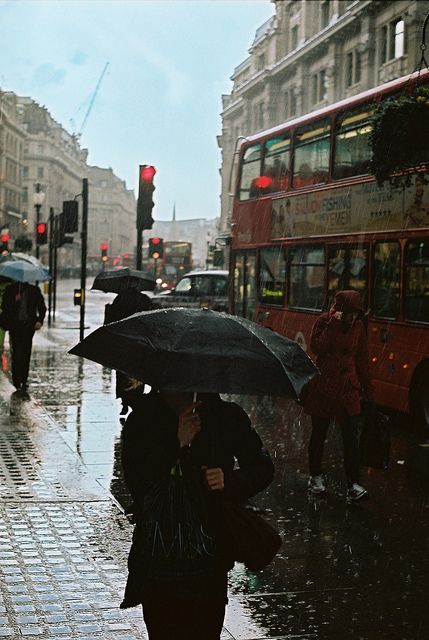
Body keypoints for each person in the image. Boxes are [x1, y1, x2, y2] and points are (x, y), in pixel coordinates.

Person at [120, 389, 274, 640]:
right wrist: (176, 442)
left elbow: (262, 467)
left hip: (208, 562)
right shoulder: (145, 418)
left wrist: (229, 480)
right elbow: (137, 484)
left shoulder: (225, 416)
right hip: (159, 558)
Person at [301, 290, 374, 503]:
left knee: (351, 438)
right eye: (350, 314)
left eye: (356, 314)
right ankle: (315, 477)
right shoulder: (325, 321)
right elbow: (317, 347)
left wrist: (369, 392)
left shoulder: (358, 327)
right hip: (324, 388)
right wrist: (333, 324)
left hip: (348, 391)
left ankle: (353, 483)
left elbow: (362, 360)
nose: (353, 319)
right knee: (319, 434)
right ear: (341, 311)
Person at [103, 280, 154, 415]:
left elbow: (111, 321)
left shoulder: (119, 299)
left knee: (122, 373)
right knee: (138, 373)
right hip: (139, 344)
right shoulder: (144, 299)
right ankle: (136, 398)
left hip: (122, 344)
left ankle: (125, 400)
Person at [0, 280, 46, 394]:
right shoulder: (10, 290)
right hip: (15, 326)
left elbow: (42, 307)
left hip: (28, 327)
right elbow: (4, 307)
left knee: (26, 352)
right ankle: (16, 379)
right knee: (16, 352)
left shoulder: (34, 290)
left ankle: (24, 379)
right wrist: (14, 300)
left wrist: (39, 321)